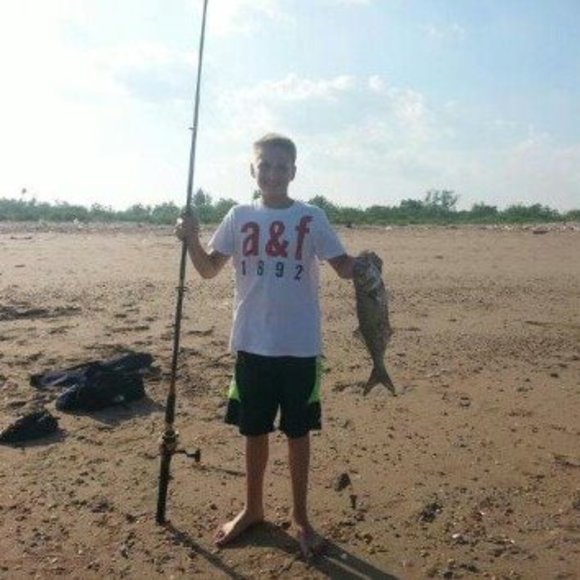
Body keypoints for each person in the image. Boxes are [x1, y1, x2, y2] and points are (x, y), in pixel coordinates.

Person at [175, 133, 357, 559]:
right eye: (265, 166)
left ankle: (301, 517)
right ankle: (253, 508)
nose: (273, 174)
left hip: (300, 348)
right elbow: (208, 269)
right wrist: (191, 239)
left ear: (293, 172)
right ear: (252, 170)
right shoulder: (238, 216)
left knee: (298, 433)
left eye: (281, 167)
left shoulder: (311, 217)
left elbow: (343, 267)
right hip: (252, 344)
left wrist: (363, 264)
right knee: (254, 430)